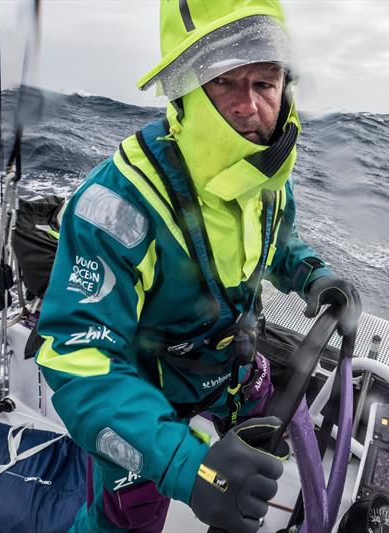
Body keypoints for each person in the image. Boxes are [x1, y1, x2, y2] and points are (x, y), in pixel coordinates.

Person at [36, 1, 361, 531]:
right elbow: (79, 360)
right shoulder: (117, 204)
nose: (248, 106)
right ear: (185, 90)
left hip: (232, 373)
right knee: (126, 518)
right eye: (224, 83)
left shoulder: (267, 176)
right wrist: (186, 467)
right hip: (147, 398)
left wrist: (312, 275)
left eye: (265, 82)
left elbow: (278, 243)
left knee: (261, 472)